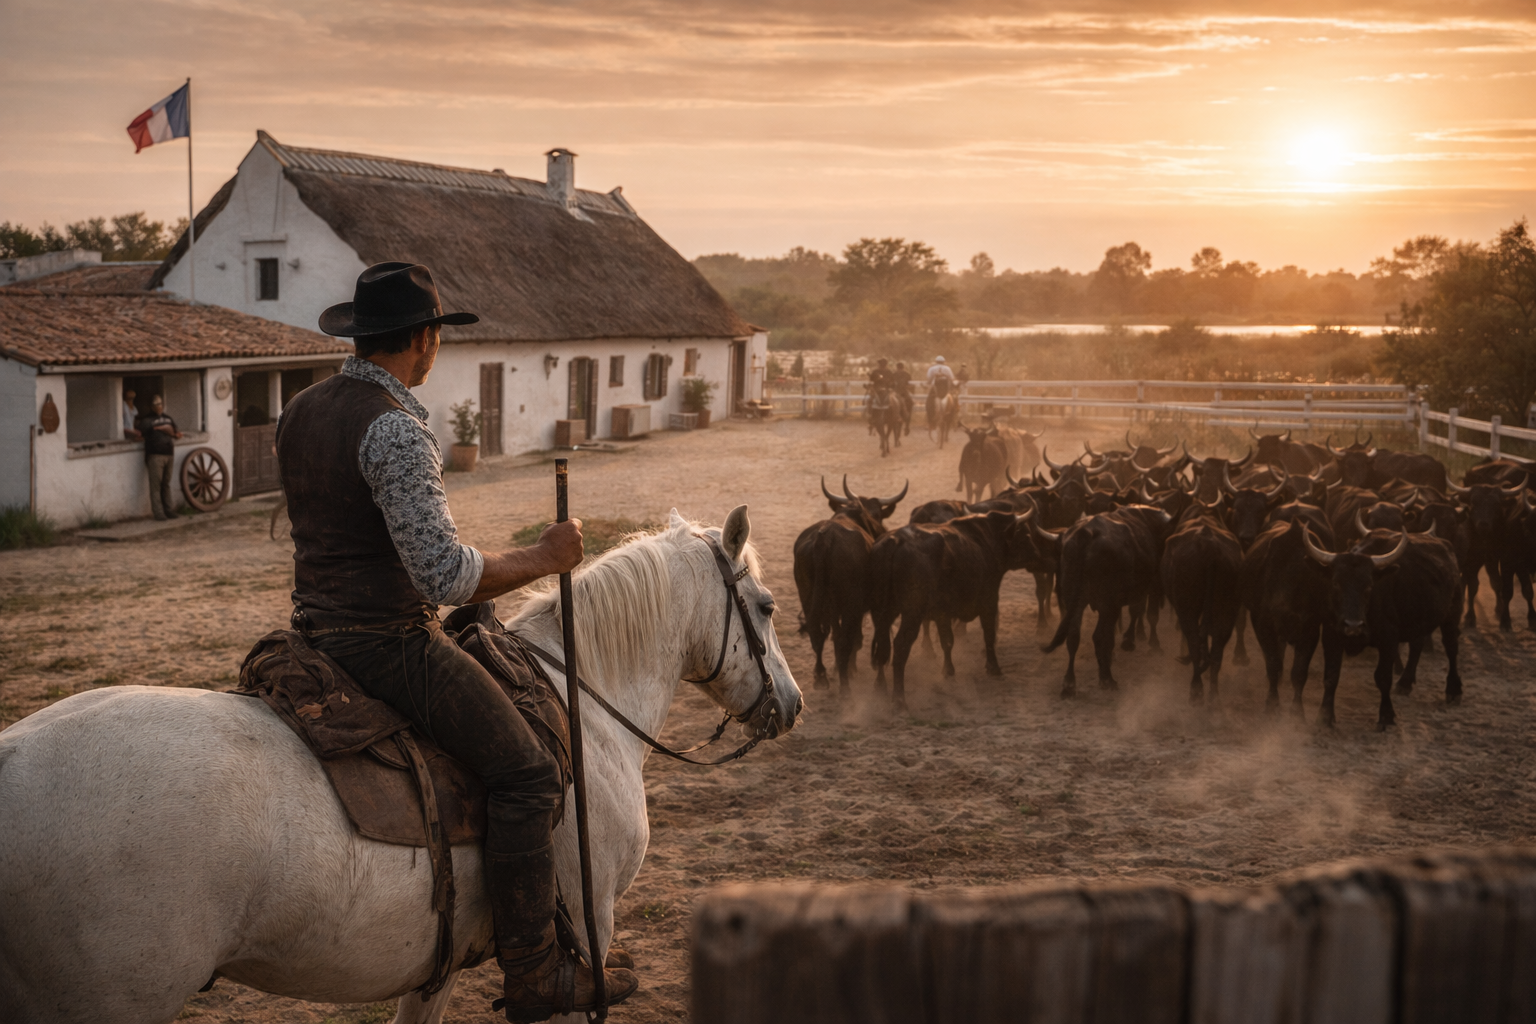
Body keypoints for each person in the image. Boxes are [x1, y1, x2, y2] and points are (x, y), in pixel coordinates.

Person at [279, 262, 638, 1022]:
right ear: (421, 339)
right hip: (385, 643)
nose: (436, 343)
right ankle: (536, 968)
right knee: (530, 772)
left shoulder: (302, 409)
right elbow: (442, 575)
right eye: (437, 332)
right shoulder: (394, 428)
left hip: (311, 634)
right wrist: (544, 559)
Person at [137, 395, 181, 520]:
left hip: (169, 453)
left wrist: (171, 432)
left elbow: (176, 432)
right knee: (155, 485)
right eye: (156, 404)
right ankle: (158, 513)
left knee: (166, 484)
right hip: (155, 454)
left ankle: (169, 510)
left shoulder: (168, 418)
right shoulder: (146, 420)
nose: (159, 406)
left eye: (160, 404)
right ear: (151, 407)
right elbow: (139, 433)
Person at [925, 355, 956, 426]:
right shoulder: (948, 368)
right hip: (945, 388)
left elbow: (929, 378)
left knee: (928, 403)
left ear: (936, 362)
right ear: (943, 362)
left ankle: (929, 420)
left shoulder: (932, 368)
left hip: (935, 389)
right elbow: (952, 378)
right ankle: (953, 419)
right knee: (953, 401)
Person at [891, 361, 914, 433]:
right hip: (904, 393)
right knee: (910, 404)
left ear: (897, 367)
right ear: (903, 367)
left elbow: (891, 385)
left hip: (895, 393)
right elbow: (910, 385)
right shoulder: (907, 374)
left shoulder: (893, 374)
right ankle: (907, 425)